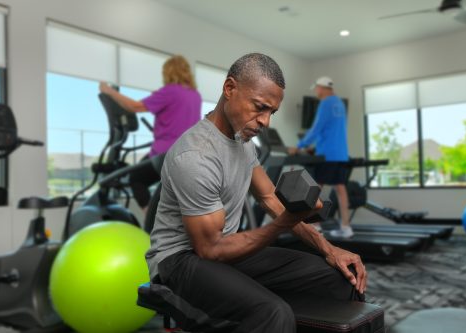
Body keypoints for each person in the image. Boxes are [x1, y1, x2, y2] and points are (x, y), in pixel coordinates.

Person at [145, 54, 367, 332]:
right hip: (178, 262)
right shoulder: (195, 155)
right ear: (230, 89)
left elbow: (270, 198)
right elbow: (209, 249)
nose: (265, 122)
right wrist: (284, 223)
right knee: (273, 313)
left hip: (225, 250)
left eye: (271, 112)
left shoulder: (243, 142)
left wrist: (331, 249)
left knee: (338, 277)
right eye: (259, 107)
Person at [99, 55, 201, 211]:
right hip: (190, 156)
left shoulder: (170, 91)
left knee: (136, 179)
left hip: (166, 155)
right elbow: (179, 119)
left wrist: (109, 91)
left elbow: (135, 106)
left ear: (169, 72)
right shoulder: (195, 96)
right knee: (171, 194)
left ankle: (152, 224)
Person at [290, 77, 353, 238]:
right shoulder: (339, 103)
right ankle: (346, 227)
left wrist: (299, 146)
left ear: (322, 88)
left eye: (317, 88)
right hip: (340, 153)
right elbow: (330, 130)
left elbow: (317, 128)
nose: (316, 92)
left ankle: (315, 225)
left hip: (327, 154)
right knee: (340, 189)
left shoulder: (325, 103)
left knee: (315, 188)